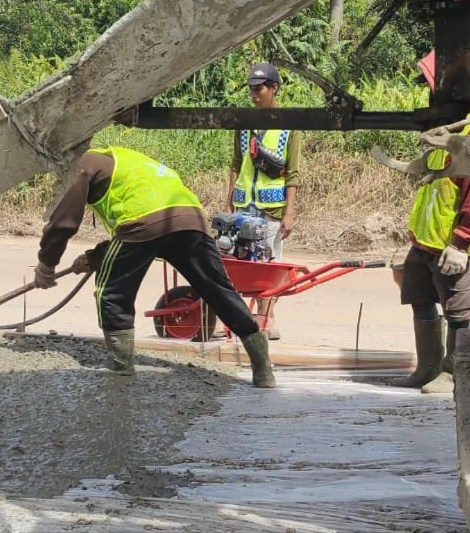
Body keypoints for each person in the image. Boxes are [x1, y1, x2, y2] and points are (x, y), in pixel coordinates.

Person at [35, 145, 276, 388]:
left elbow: (64, 222)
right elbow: (141, 231)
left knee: (112, 291)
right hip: (191, 219)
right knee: (218, 290)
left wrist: (46, 265)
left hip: (143, 223)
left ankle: (120, 367)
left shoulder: (82, 165)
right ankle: (263, 369)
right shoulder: (124, 160)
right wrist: (94, 258)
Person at [391, 52, 470, 394]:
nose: (428, 95)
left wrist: (462, 241)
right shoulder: (449, 123)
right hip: (426, 238)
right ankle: (428, 366)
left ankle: (454, 371)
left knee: (457, 309)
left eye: (432, 88)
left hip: (451, 243)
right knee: (420, 298)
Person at [228, 61, 303, 338]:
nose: (254, 95)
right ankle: (240, 318)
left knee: (268, 265)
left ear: (274, 89)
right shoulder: (244, 123)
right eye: (251, 89)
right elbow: (236, 162)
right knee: (239, 262)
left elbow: (293, 172)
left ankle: (266, 319)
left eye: (259, 89)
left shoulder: (288, 126)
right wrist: (229, 198)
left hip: (271, 207)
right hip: (243, 205)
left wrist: (289, 212)